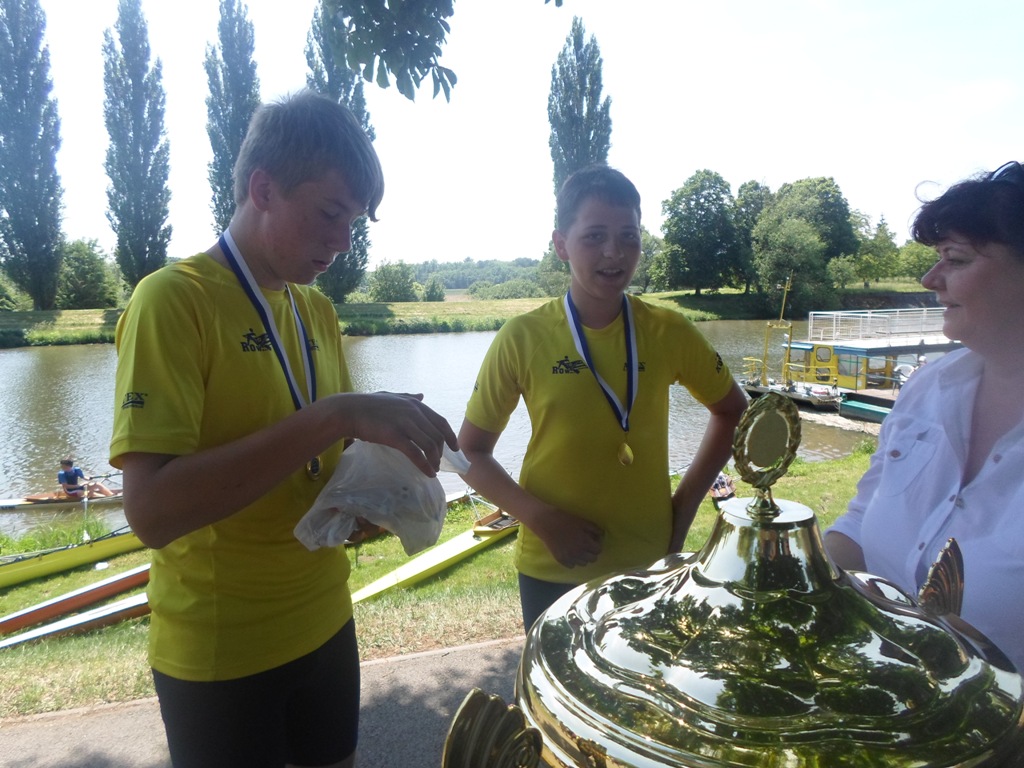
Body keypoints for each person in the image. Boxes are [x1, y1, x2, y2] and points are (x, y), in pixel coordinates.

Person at [109, 90, 457, 768]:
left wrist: (367, 494)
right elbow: (150, 512)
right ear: (263, 189)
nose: (343, 240)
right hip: (222, 650)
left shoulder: (316, 311)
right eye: (329, 213)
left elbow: (315, 458)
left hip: (326, 618)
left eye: (353, 221)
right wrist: (337, 414)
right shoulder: (173, 300)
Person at [458, 165, 748, 629]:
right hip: (553, 566)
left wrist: (682, 510)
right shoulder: (522, 337)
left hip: (650, 564)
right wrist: (541, 520)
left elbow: (732, 410)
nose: (614, 252)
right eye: (594, 236)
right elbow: (468, 452)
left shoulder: (668, 330)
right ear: (561, 245)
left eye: (628, 236)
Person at [825, 160, 1024, 673]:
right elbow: (860, 521)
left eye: (954, 259)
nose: (929, 278)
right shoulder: (927, 389)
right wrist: (797, 583)